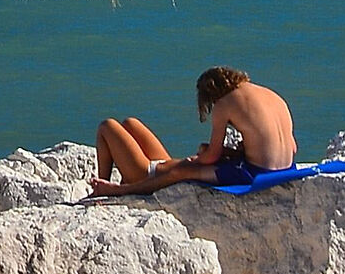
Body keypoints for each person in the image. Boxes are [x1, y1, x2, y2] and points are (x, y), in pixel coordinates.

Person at [89, 67, 298, 196]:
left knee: (107, 126)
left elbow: (212, 156)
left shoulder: (225, 103)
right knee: (130, 123)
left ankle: (112, 190)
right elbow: (293, 147)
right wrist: (231, 153)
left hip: (254, 174)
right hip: (285, 167)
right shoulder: (273, 96)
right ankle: (106, 186)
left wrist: (201, 157)